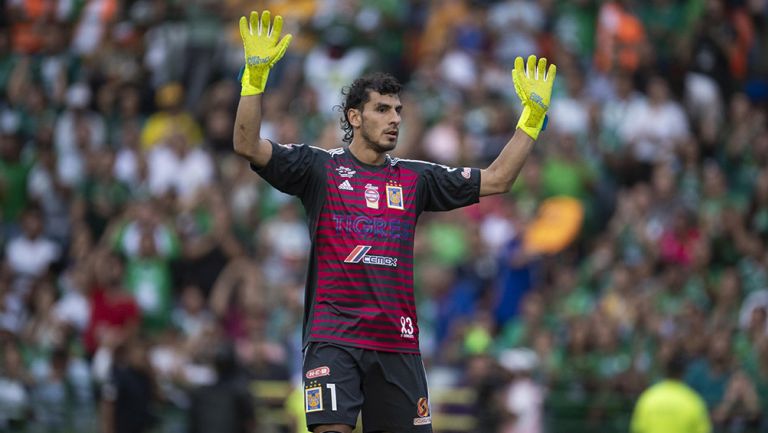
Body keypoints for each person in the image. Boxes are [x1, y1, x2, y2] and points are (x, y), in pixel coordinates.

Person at [232, 10, 556, 433]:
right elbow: (246, 144)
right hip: (335, 337)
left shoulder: (416, 177)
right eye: (382, 109)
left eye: (398, 110)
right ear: (354, 117)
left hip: (397, 343)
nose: (395, 119)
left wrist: (530, 118)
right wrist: (254, 77)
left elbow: (498, 180)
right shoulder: (320, 169)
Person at [630, 353, 711, 433]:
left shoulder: (648, 397)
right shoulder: (693, 401)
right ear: (683, 373)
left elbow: (637, 428)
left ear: (665, 371)